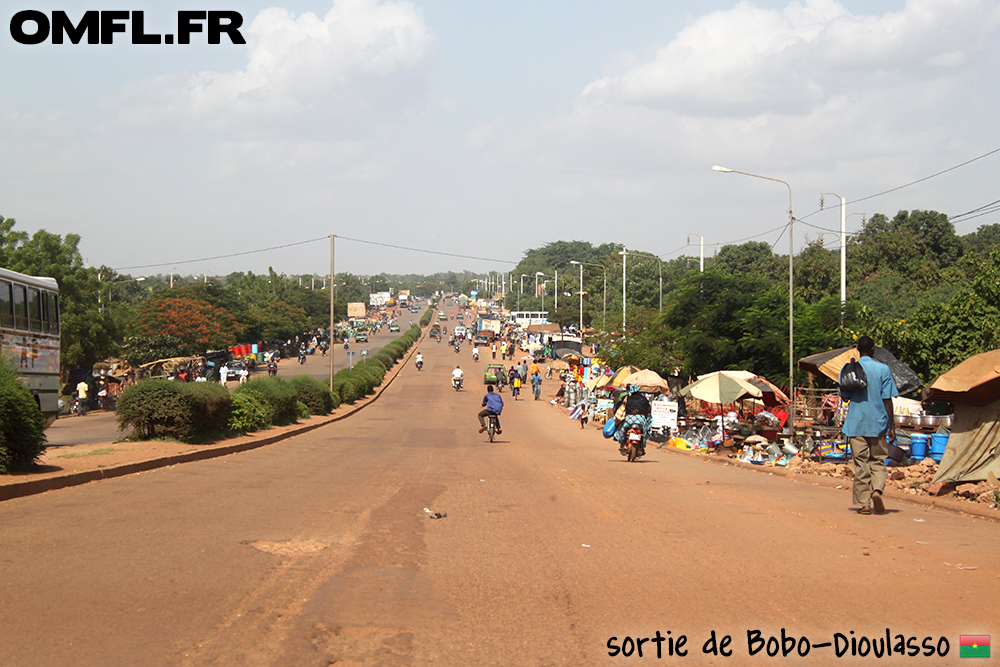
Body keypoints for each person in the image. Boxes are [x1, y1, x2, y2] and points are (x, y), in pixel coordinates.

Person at [840, 335, 898, 515]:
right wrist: (892, 426)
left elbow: (845, 397)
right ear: (873, 350)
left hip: (856, 423)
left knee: (861, 463)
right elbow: (887, 399)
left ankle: (864, 503)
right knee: (878, 461)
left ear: (858, 350)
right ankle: (877, 491)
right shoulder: (883, 369)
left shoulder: (849, 369)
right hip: (878, 423)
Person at [614, 384, 652, 457]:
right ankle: (642, 446)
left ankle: (623, 444)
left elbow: (619, 406)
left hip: (629, 419)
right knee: (644, 431)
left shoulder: (627, 398)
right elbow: (648, 409)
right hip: (641, 420)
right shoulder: (643, 399)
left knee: (622, 430)